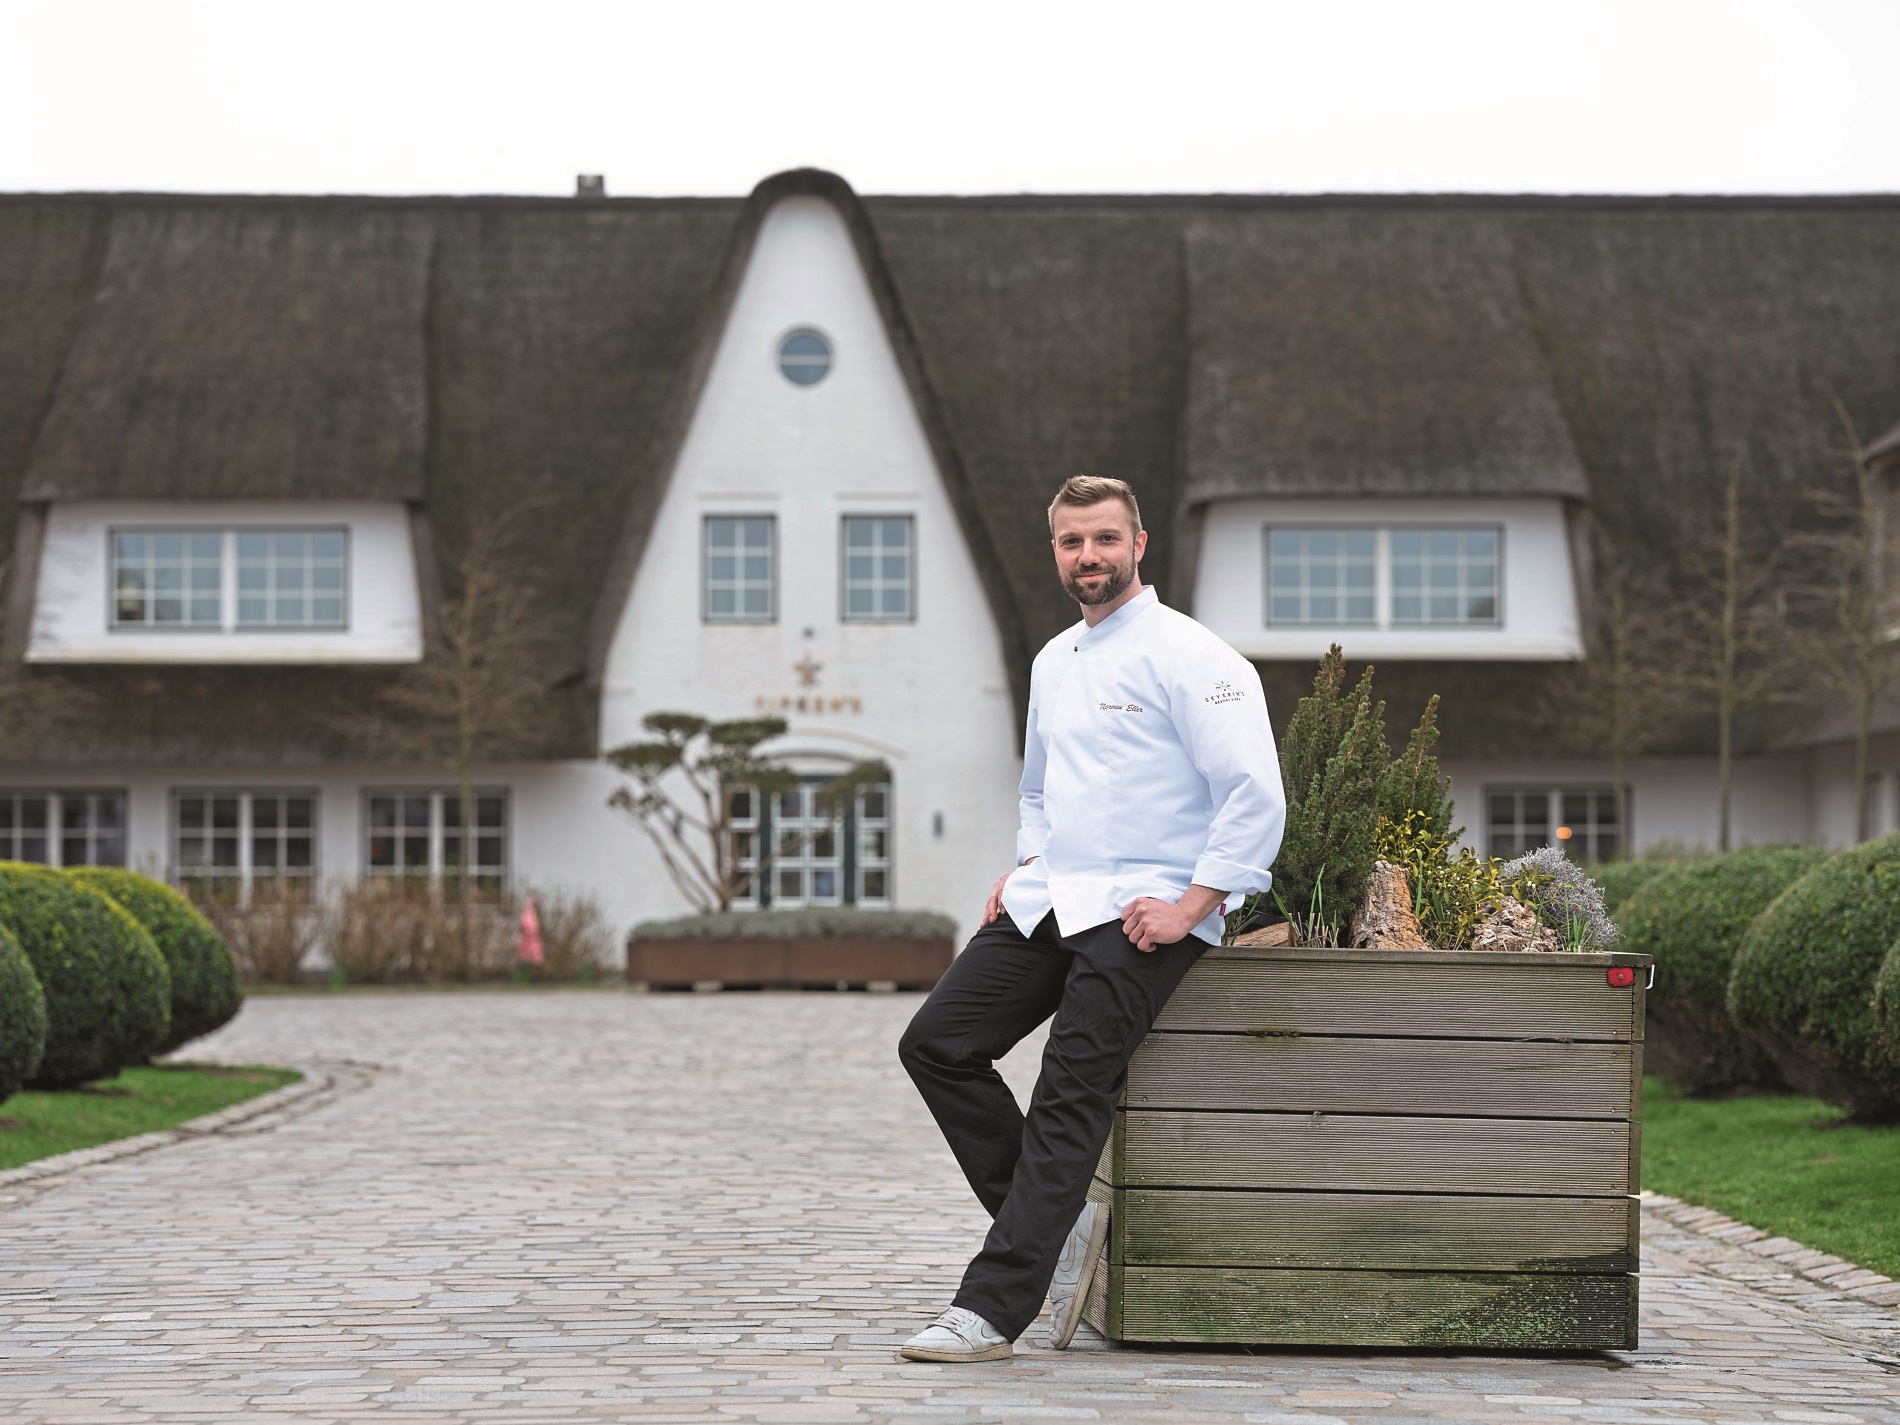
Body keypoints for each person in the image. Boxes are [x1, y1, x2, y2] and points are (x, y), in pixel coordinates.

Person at [897, 475, 1285, 1362]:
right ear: (1057, 552)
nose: (1090, 556)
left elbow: (1255, 793)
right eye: (1073, 542)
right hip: (1055, 894)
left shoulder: (1197, 657)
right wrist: (1028, 864)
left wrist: (1195, 903)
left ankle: (993, 1308)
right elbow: (1037, 791)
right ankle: (1058, 1224)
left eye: (1105, 539)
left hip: (1150, 910)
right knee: (938, 1042)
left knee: (1070, 1093)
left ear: (1139, 544)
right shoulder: (1052, 660)